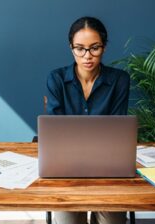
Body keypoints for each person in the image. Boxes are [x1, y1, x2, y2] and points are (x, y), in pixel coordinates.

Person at [45, 16, 130, 224]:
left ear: (104, 47)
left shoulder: (119, 80)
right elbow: (55, 131)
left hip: (108, 166)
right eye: (80, 48)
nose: (87, 56)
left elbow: (117, 131)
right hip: (66, 165)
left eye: (95, 48)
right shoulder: (56, 79)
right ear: (71, 47)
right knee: (68, 220)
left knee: (112, 221)